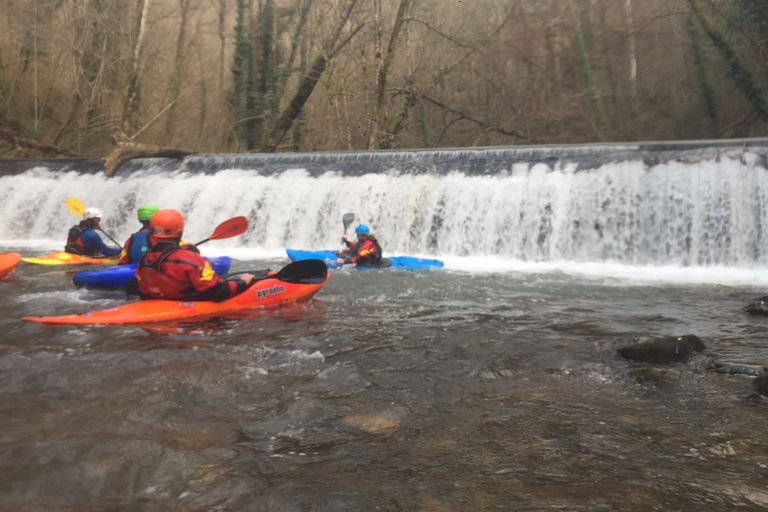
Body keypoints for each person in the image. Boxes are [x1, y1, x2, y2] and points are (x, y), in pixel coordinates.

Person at [135, 209, 255, 301]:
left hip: (160, 302)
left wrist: (186, 251)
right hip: (190, 304)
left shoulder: (144, 260)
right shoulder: (190, 259)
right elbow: (216, 291)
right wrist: (243, 283)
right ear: (179, 233)